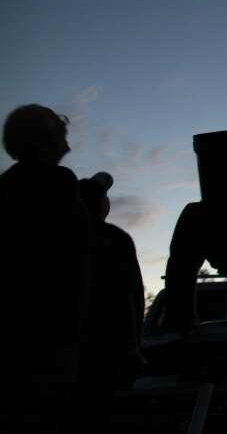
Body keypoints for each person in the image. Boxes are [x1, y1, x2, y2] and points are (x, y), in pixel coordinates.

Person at [0, 104, 92, 432]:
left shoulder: (6, 187)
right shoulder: (59, 182)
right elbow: (76, 253)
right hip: (51, 334)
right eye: (61, 138)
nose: (67, 147)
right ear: (44, 141)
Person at [77, 171, 145, 429]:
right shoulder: (116, 239)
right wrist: (132, 346)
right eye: (105, 197)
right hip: (110, 350)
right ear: (102, 205)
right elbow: (131, 296)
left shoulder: (52, 237)